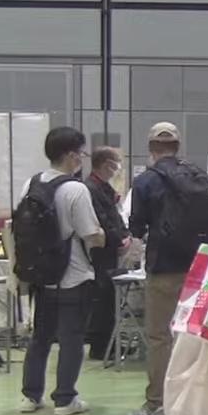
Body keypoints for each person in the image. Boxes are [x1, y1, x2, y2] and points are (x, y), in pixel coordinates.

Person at [126, 122, 208, 415]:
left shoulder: (146, 181)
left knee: (159, 336)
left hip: (163, 268)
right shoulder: (199, 175)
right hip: (200, 268)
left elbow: (136, 228)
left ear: (151, 148)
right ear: (178, 147)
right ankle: (195, 399)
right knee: (194, 334)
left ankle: (158, 403)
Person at [17, 126, 104, 415]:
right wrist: (105, 236)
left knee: (40, 338)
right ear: (70, 155)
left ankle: (31, 396)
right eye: (80, 153)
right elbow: (91, 234)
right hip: (73, 275)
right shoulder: (75, 189)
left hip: (41, 275)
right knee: (71, 339)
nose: (81, 158)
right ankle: (65, 399)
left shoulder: (30, 184)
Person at [85, 145, 127, 362]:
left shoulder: (104, 188)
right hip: (100, 252)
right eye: (115, 165)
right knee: (102, 298)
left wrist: (125, 235)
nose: (117, 169)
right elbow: (101, 220)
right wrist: (117, 239)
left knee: (110, 298)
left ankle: (111, 342)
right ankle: (100, 346)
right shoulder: (91, 189)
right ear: (105, 165)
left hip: (111, 250)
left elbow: (115, 217)